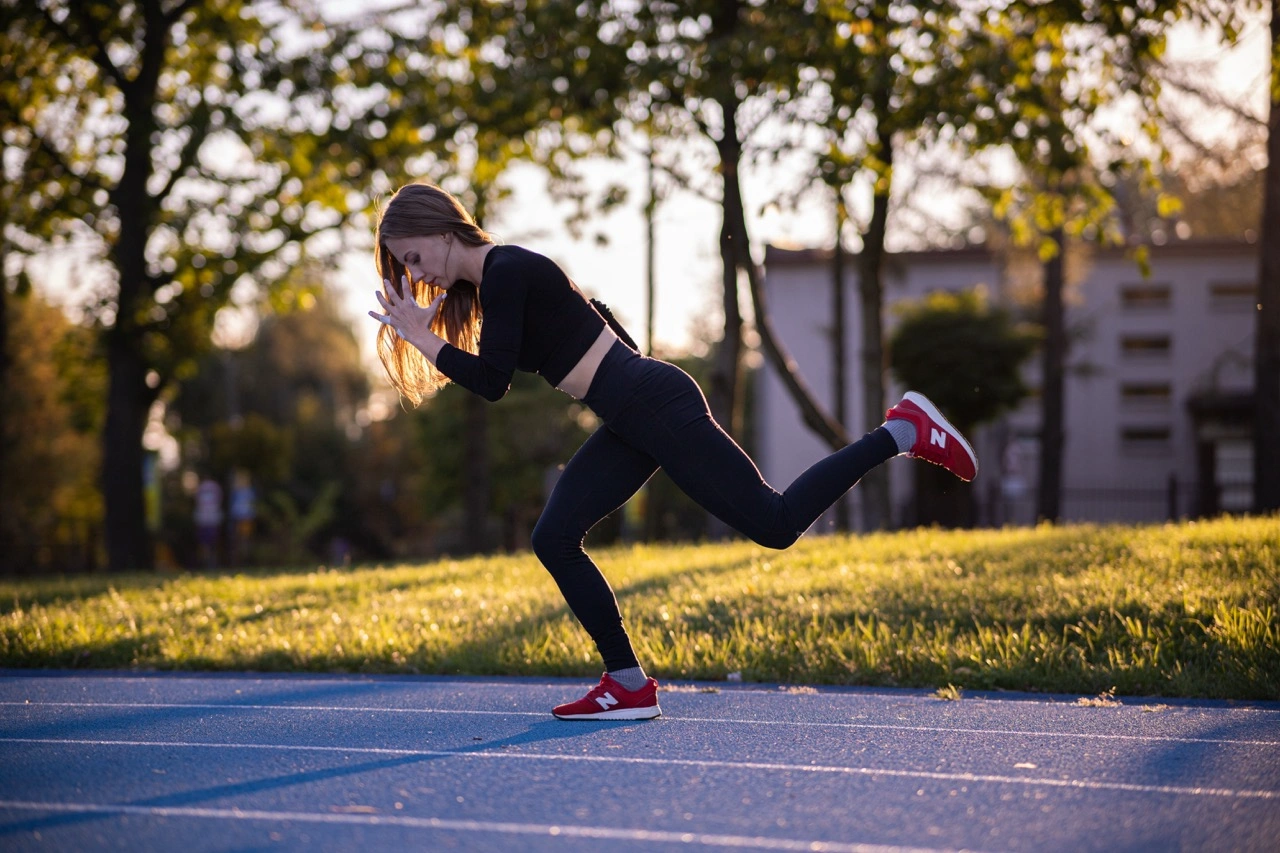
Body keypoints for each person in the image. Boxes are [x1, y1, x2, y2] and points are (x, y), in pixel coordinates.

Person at [368, 182, 978, 721]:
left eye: (413, 258)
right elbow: (597, 317)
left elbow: (492, 382)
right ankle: (627, 683)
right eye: (406, 268)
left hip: (648, 403)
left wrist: (422, 337)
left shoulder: (504, 269)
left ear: (441, 229)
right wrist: (625, 382)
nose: (418, 275)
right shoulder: (498, 282)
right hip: (633, 411)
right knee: (553, 537)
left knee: (776, 523)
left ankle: (902, 432)